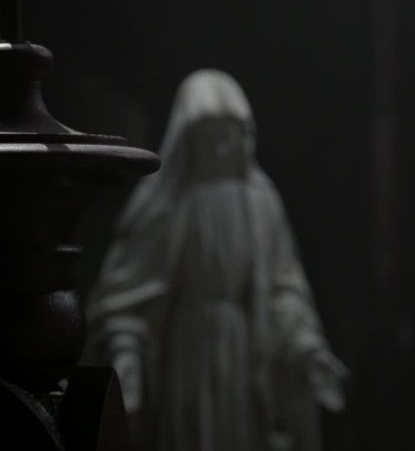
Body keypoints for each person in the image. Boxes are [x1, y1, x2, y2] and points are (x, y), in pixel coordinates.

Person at [86, 69, 347, 451]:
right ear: (188, 139)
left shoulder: (261, 202)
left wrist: (305, 346)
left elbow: (283, 289)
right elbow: (127, 298)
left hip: (246, 358)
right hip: (186, 360)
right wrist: (126, 355)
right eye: (210, 139)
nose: (223, 149)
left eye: (230, 136)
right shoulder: (165, 202)